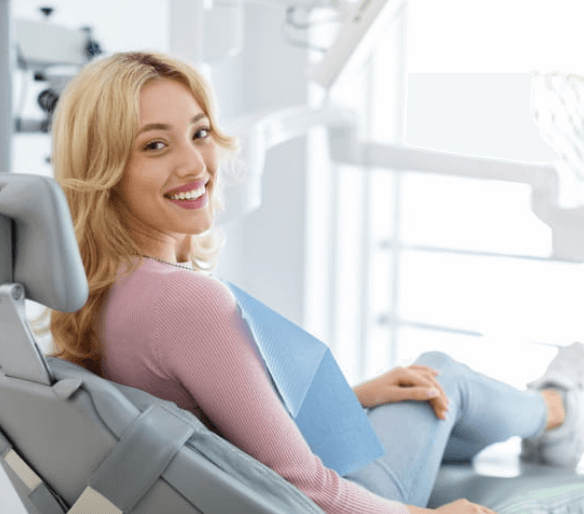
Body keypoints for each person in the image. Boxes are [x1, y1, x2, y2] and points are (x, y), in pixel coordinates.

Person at [48, 51, 584, 514]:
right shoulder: (185, 302)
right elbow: (306, 487)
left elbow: (212, 428)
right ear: (106, 168)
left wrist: (357, 397)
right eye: (155, 146)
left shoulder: (102, 290)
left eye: (200, 132)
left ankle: (534, 420)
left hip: (244, 488)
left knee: (415, 388)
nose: (195, 164)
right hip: (331, 498)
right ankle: (560, 412)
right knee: (441, 376)